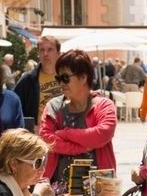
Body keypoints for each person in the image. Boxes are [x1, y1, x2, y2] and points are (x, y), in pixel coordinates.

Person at [39, 49, 117, 185]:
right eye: (58, 78)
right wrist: (80, 148)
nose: (61, 83)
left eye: (65, 78)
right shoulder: (54, 106)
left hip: (99, 189)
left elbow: (100, 135)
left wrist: (65, 133)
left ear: (83, 78)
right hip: (58, 188)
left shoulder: (104, 105)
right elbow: (46, 137)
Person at [12, 34, 62, 128]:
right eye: (42, 50)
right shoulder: (28, 80)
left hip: (63, 134)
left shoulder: (68, 77)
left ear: (58, 53)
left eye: (50, 49)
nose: (45, 54)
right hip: (38, 136)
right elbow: (14, 109)